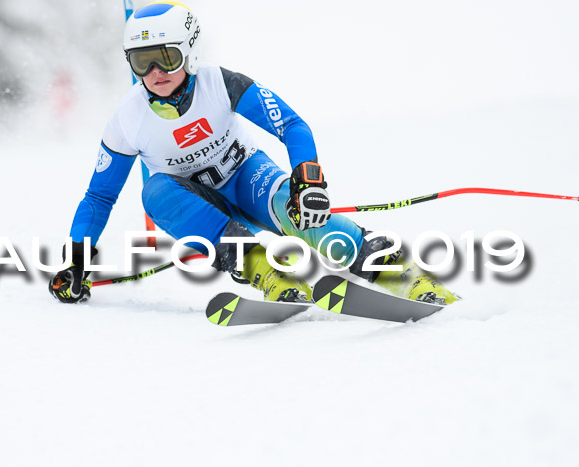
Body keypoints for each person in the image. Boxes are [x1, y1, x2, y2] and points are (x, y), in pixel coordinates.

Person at [49, 1, 459, 306]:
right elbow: (100, 196)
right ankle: (267, 272)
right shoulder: (127, 120)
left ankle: (402, 275)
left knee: (297, 211)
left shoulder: (220, 84)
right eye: (142, 61)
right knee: (154, 191)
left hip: (247, 178)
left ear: (190, 51)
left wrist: (307, 179)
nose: (155, 72)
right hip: (196, 206)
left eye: (167, 57)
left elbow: (291, 125)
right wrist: (77, 257)